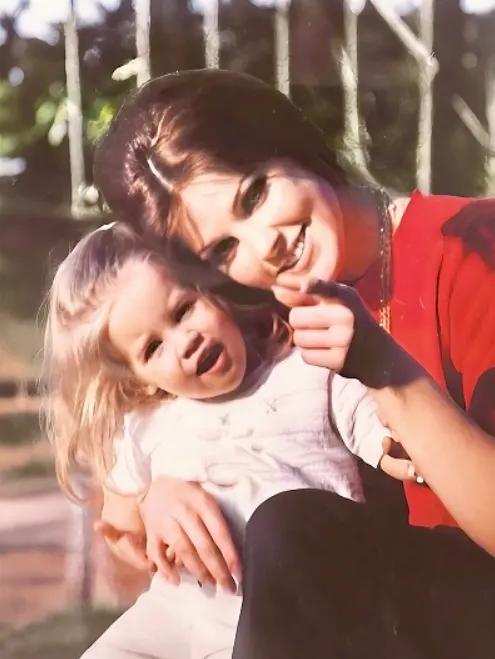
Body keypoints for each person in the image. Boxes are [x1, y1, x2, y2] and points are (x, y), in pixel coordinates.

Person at [92, 70, 495, 657]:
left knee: (289, 524)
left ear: (286, 139)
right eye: (224, 249)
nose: (265, 246)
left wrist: (386, 372)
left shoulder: (470, 245)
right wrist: (164, 493)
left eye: (255, 195)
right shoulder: (263, 325)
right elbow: (131, 527)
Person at [43, 222, 412, 659]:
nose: (184, 342)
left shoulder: (308, 372)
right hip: (176, 607)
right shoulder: (147, 423)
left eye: (183, 310)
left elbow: (376, 425)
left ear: (214, 290)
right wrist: (133, 523)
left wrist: (396, 447)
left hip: (276, 613)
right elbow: (124, 523)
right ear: (140, 380)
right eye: (152, 348)